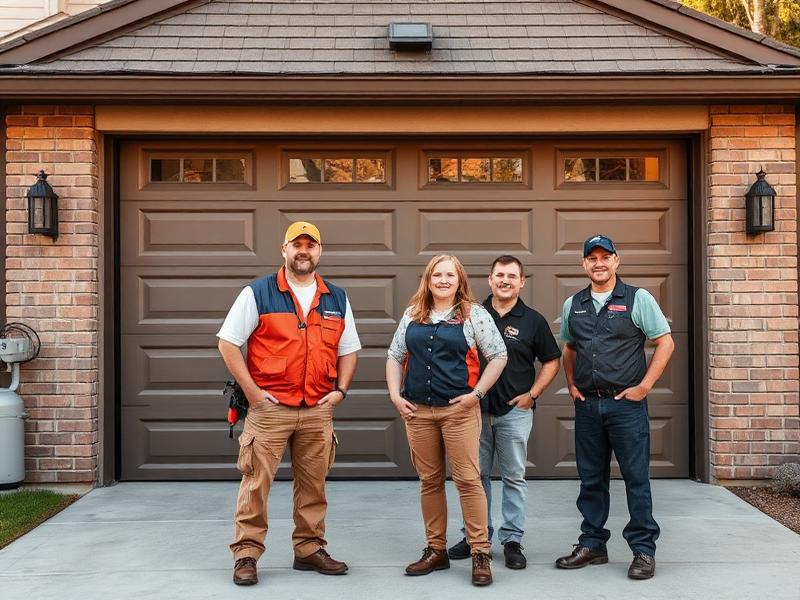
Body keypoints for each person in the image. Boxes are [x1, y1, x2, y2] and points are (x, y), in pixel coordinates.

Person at [217, 221, 361, 586]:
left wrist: (341, 391)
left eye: (310, 245)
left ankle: (309, 548)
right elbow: (228, 343)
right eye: (297, 245)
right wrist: (253, 393)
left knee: (314, 485)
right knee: (255, 484)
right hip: (270, 409)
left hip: (317, 409)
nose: (303, 251)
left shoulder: (336, 298)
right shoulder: (258, 292)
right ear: (284, 250)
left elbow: (349, 349)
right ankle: (246, 554)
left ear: (319, 251)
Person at [555, 235, 674, 580]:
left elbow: (665, 342)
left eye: (605, 257)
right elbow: (569, 348)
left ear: (616, 261)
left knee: (636, 479)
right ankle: (593, 544)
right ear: (584, 264)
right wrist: (571, 384)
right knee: (591, 479)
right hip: (588, 407)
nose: (599, 263)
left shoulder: (638, 298)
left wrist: (645, 386)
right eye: (592, 258)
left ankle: (643, 550)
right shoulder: (573, 304)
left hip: (626, 407)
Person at [386, 254, 508, 586]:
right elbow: (395, 356)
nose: (443, 280)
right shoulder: (413, 313)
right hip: (418, 413)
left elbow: (499, 355)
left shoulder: (473, 314)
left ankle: (480, 552)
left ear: (459, 281)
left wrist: (477, 395)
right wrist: (395, 395)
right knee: (430, 481)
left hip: (459, 413)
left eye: (449, 275)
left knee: (468, 480)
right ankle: (435, 550)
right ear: (427, 279)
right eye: (437, 274)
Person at [448, 255, 561, 569]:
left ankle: (512, 540)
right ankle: (476, 535)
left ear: (521, 282)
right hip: (473, 412)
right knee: (474, 478)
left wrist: (533, 394)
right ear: (490, 279)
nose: (505, 281)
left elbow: (552, 360)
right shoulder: (469, 314)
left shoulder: (533, 321)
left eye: (512, 276)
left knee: (513, 477)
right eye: (500, 275)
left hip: (514, 413)